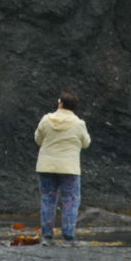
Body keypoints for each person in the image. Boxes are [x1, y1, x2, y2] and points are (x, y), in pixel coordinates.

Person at [33, 89, 91, 245]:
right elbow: (86, 143)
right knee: (70, 200)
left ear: (61, 103)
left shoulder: (46, 120)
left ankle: (47, 236)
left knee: (47, 200)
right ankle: (69, 235)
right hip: (69, 167)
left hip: (46, 166)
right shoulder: (79, 124)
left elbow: (38, 139)